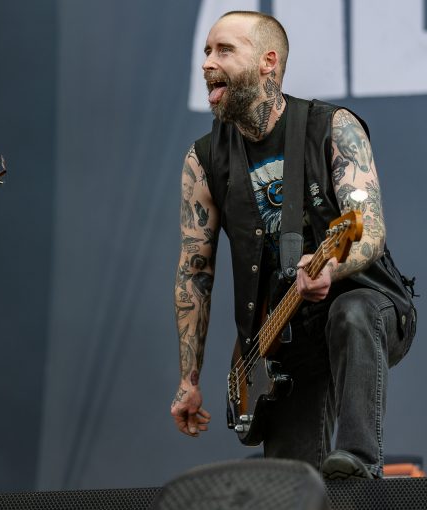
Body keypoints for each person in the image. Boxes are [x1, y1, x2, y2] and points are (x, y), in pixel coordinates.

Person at [169, 11, 416, 479]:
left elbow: (367, 228)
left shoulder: (333, 127)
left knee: (352, 311)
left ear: (268, 62)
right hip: (280, 333)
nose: (207, 63)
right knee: (292, 487)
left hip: (367, 304)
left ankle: (359, 459)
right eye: (206, 51)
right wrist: (189, 378)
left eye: (224, 50)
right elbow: (194, 273)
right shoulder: (203, 160)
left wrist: (331, 268)